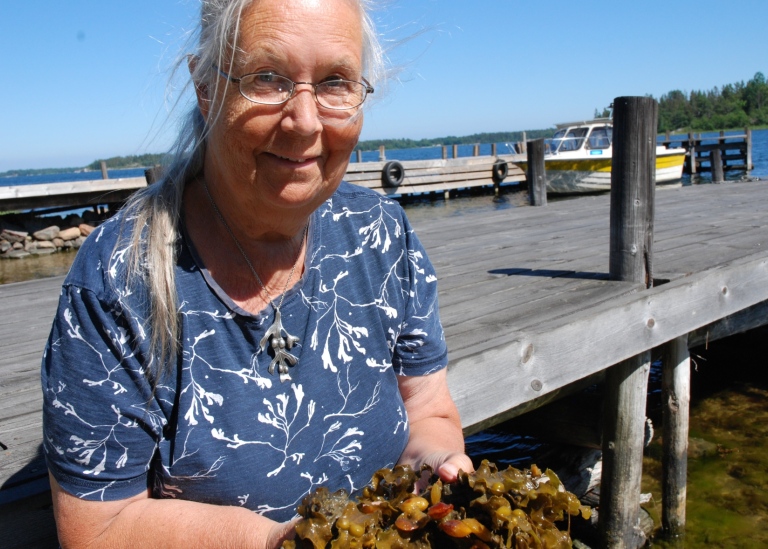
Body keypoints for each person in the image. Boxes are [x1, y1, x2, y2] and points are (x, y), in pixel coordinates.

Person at [41, 0, 472, 547]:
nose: (305, 121)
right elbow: (97, 527)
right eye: (267, 79)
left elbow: (428, 409)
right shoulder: (119, 280)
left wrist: (438, 463)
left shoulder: (381, 235)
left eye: (336, 81)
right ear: (205, 87)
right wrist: (278, 542)